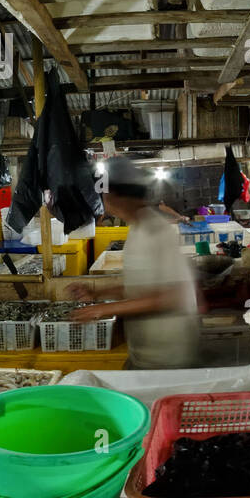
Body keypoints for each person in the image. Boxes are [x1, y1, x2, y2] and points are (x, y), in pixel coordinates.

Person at [71, 157, 199, 369]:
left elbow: (173, 297)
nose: (105, 201)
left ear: (117, 195)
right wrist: (98, 294)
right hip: (145, 351)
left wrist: (103, 310)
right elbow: (142, 287)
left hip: (170, 356)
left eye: (105, 194)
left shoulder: (156, 230)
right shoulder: (137, 229)